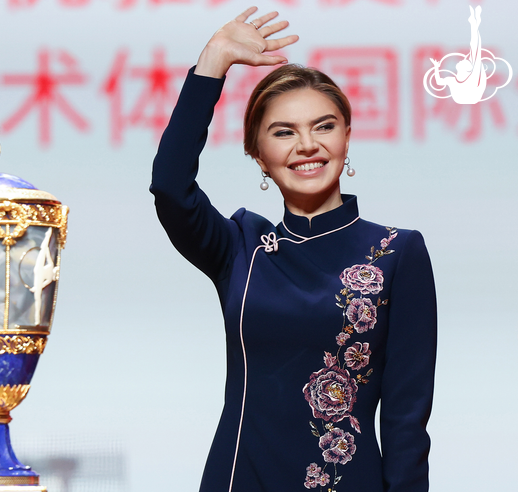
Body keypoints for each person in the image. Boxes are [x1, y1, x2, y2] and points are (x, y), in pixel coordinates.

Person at [150, 7, 436, 492]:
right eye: (284, 132)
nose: (307, 145)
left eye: (323, 127)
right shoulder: (240, 246)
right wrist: (213, 63)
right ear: (258, 155)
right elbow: (170, 188)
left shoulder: (395, 253)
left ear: (347, 137)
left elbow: (407, 421)